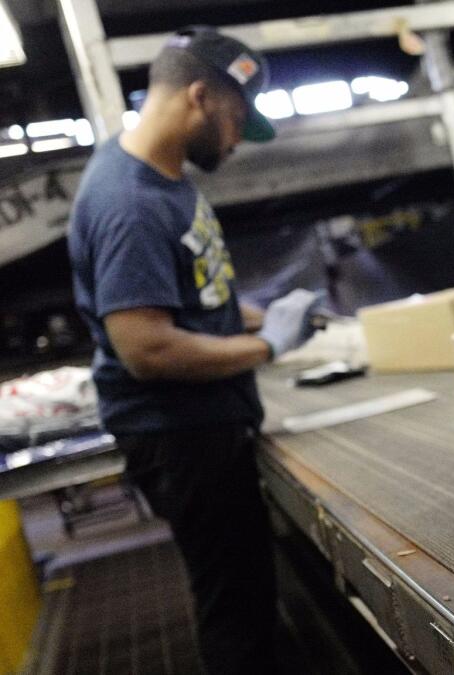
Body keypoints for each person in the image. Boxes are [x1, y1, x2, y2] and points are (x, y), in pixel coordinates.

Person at [67, 26, 321, 675]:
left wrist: (265, 313)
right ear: (201, 97)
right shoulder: (131, 202)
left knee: (248, 595)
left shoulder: (159, 176)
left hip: (203, 426)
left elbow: (192, 299)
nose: (237, 141)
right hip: (182, 436)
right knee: (236, 612)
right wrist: (265, 346)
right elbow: (146, 347)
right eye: (237, 120)